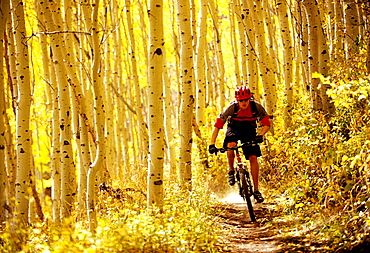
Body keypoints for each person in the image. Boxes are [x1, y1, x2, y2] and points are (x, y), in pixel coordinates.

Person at [208, 86, 270, 203]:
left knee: (253, 157)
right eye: (241, 100)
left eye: (246, 99)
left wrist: (260, 135)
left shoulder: (256, 107)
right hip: (234, 128)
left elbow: (267, 123)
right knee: (230, 145)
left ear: (249, 98)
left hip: (249, 129)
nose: (243, 103)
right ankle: (231, 170)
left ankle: (256, 190)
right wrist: (212, 144)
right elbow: (217, 126)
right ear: (237, 100)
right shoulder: (231, 108)